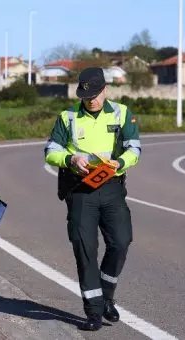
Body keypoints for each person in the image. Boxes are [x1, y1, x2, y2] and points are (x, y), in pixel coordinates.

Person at [44, 67, 141, 331]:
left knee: (121, 241)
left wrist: (120, 162)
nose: (91, 100)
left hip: (111, 187)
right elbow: (51, 151)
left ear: (105, 90)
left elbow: (135, 149)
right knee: (85, 250)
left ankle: (106, 296)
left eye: (96, 94)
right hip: (79, 191)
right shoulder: (68, 117)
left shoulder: (122, 114)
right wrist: (70, 159)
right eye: (86, 95)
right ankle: (94, 313)